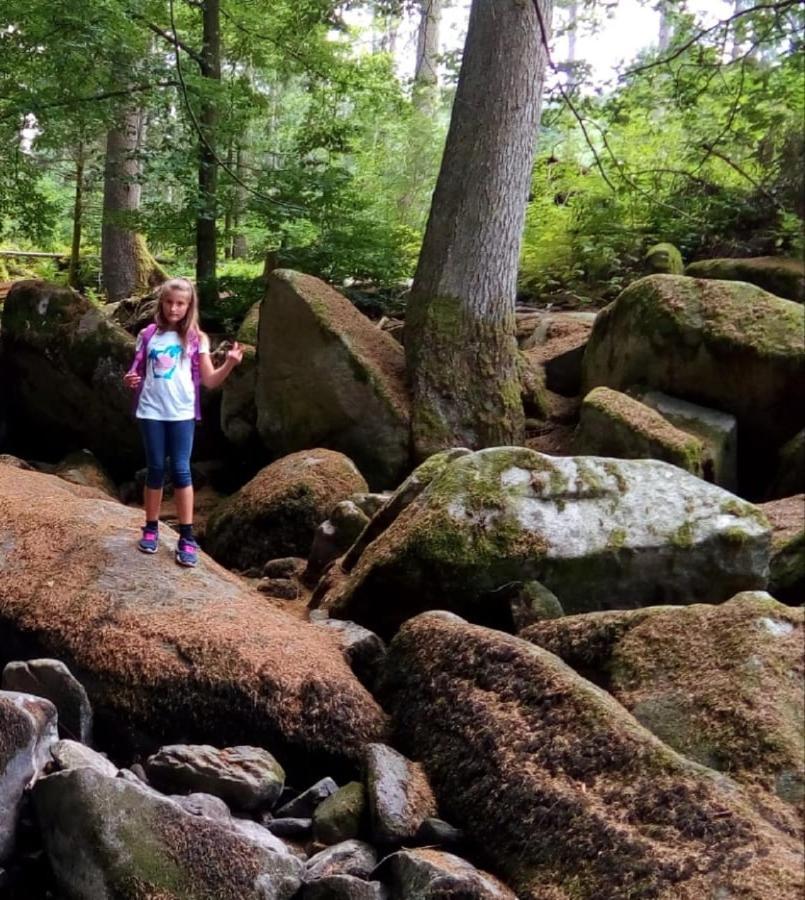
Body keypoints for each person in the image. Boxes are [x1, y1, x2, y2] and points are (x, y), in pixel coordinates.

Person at [123, 277, 243, 567]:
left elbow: (211, 380)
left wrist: (229, 363)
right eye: (169, 302)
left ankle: (186, 536)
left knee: (180, 470)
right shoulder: (148, 335)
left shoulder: (196, 338)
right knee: (154, 469)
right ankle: (150, 528)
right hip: (151, 411)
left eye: (180, 303)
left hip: (182, 413)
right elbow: (135, 372)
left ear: (189, 306)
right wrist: (130, 379)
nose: (174, 308)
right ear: (161, 303)